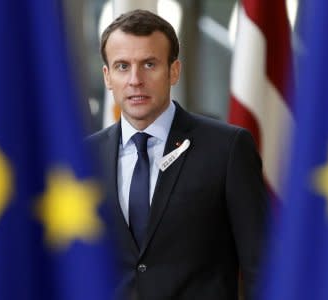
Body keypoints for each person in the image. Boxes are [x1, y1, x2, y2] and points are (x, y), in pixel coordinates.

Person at [90, 9, 267, 300]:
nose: (135, 79)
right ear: (107, 77)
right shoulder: (85, 157)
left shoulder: (228, 149)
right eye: (122, 66)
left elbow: (262, 268)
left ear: (174, 71)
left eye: (149, 64)